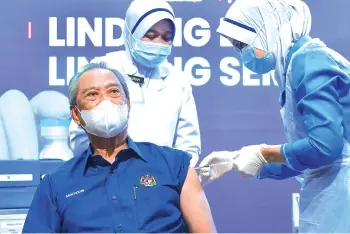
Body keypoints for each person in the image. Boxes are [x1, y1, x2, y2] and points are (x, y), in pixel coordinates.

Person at [199, 0, 350, 232]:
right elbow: (308, 159)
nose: (243, 54)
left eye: (242, 44)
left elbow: (325, 148)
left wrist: (264, 154)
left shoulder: (308, 61)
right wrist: (239, 159)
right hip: (331, 189)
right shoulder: (294, 65)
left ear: (267, 26)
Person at [22, 62, 216, 233]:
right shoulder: (55, 184)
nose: (105, 101)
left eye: (114, 91)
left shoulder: (175, 165)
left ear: (128, 105)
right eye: (92, 94)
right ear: (76, 115)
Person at [69, 0, 201, 166]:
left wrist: (173, 176)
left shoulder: (178, 80)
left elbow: (188, 145)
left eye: (167, 37)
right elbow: (79, 136)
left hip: (161, 182)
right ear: (131, 32)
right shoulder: (103, 70)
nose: (159, 43)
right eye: (151, 35)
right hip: (104, 178)